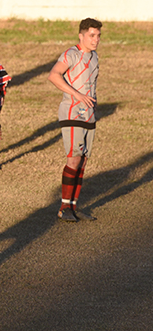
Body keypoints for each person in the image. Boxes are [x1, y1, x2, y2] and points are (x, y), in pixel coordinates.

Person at [48, 18, 101, 223]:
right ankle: (63, 208)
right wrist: (77, 95)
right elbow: (54, 75)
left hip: (89, 114)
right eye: (91, 35)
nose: (95, 40)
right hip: (72, 112)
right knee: (74, 158)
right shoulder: (71, 54)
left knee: (83, 159)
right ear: (81, 36)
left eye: (97, 36)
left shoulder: (95, 57)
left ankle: (73, 206)